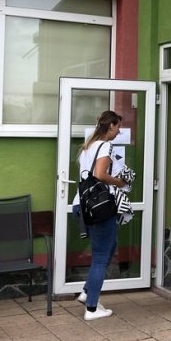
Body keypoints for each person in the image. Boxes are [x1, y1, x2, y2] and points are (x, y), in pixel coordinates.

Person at [72, 110, 127, 321]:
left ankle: (87, 292)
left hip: (82, 205)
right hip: (99, 207)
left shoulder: (88, 146)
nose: (119, 131)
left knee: (110, 246)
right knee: (101, 257)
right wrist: (119, 182)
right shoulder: (104, 146)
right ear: (111, 125)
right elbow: (100, 175)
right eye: (118, 126)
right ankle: (92, 309)